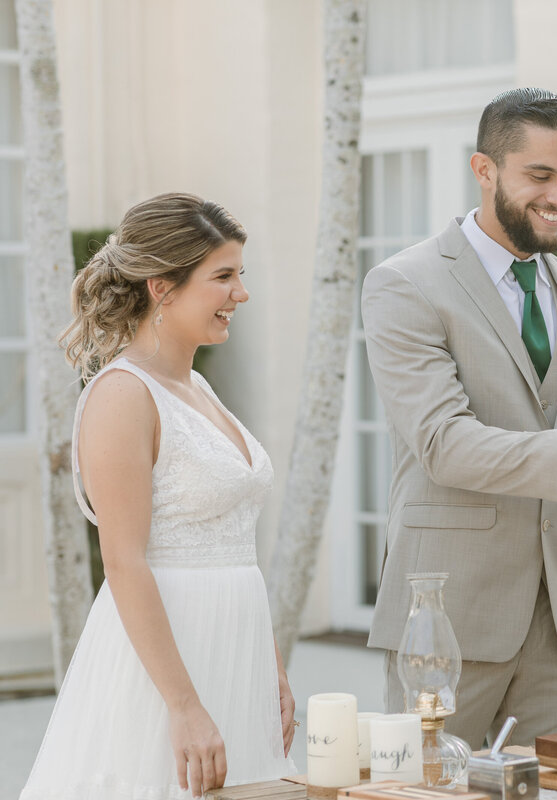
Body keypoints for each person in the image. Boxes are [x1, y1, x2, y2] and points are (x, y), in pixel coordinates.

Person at [362, 88, 557, 748]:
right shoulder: (404, 285)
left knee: (556, 791)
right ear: (485, 170)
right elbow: (444, 444)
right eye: (540, 176)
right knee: (427, 793)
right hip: (448, 618)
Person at [21, 194, 296, 800]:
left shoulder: (196, 386)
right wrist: (183, 706)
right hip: (167, 669)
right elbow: (123, 561)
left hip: (236, 653)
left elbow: (235, 546)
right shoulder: (123, 395)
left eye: (239, 275)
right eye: (222, 277)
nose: (240, 294)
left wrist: (270, 669)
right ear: (161, 288)